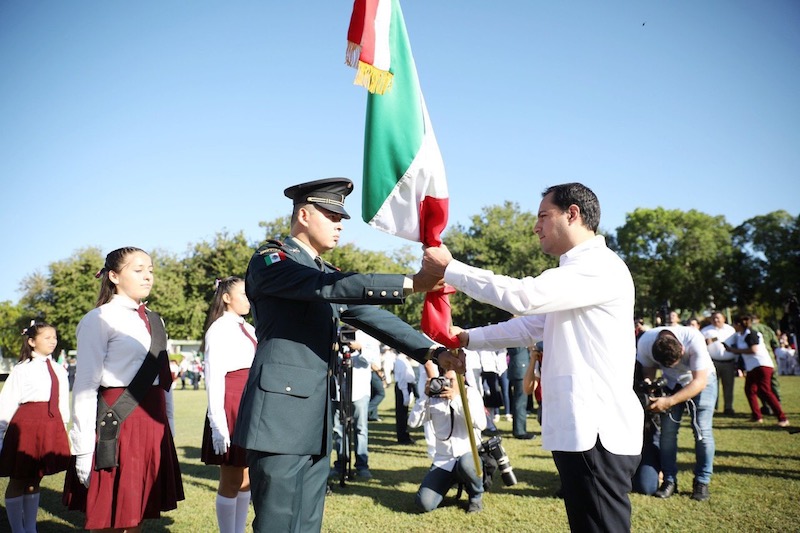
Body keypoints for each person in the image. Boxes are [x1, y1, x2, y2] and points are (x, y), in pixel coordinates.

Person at [231, 177, 464, 533]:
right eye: (331, 215)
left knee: (308, 522)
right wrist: (412, 282)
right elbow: (331, 288)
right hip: (279, 418)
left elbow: (370, 315)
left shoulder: (323, 273)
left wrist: (431, 351)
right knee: (277, 523)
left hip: (314, 416)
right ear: (305, 215)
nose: (340, 224)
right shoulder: (271, 259)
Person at [422, 182, 643, 532]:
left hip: (596, 431)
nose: (536, 226)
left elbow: (523, 297)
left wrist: (451, 269)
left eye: (543, 215)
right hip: (583, 429)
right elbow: (528, 327)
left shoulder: (597, 266)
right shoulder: (576, 273)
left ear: (573, 214)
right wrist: (465, 338)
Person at [63, 246, 184, 531]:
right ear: (114, 276)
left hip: (152, 423)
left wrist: (170, 425)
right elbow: (85, 385)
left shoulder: (156, 320)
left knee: (136, 513)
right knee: (110, 517)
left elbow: (163, 380)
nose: (148, 277)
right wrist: (82, 449)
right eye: (138, 270)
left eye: (151, 271)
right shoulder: (99, 318)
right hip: (118, 422)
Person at [0, 321, 70, 533]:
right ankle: (17, 529)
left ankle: (30, 528)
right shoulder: (22, 369)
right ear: (31, 341)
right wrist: (1, 435)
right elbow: (7, 402)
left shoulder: (59, 369)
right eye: (47, 337)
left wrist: (63, 428)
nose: (53, 341)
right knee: (19, 477)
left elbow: (62, 402)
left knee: (36, 477)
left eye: (54, 337)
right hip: (26, 427)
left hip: (50, 425)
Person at [200, 276, 257, 533]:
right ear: (226, 297)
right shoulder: (220, 328)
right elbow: (214, 377)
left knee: (245, 478)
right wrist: (218, 424)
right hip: (231, 402)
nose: (249, 299)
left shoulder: (248, 327)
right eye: (243, 294)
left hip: (249, 401)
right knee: (231, 478)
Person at [636, 325, 717, 501]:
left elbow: (700, 382)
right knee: (667, 434)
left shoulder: (693, 338)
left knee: (702, 431)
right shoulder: (645, 343)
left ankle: (701, 482)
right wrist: (650, 388)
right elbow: (648, 372)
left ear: (682, 348)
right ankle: (669, 480)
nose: (675, 366)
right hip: (671, 384)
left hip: (701, 381)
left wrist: (670, 401)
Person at [408, 368, 487, 513]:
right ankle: (445, 485)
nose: (447, 384)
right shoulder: (434, 397)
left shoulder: (471, 393)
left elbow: (481, 424)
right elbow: (412, 423)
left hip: (469, 456)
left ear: (462, 379)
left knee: (466, 463)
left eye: (452, 381)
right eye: (444, 379)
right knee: (424, 504)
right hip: (443, 460)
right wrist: (424, 397)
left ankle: (476, 496)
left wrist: (456, 400)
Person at [331, 328, 379, 480]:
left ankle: (361, 465)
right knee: (338, 430)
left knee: (360, 429)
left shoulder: (368, 335)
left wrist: (360, 348)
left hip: (360, 390)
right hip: (339, 391)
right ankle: (341, 464)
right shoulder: (337, 331)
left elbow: (373, 360)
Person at [724, 315, 789, 427]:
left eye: (734, 324)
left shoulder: (751, 333)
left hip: (762, 365)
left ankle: (782, 418)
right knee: (749, 390)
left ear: (739, 324)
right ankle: (757, 416)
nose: (733, 326)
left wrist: (734, 350)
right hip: (752, 367)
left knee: (765, 391)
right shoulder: (740, 335)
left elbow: (754, 350)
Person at [701, 311, 738, 415]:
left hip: (729, 362)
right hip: (713, 362)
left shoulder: (731, 330)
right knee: (712, 386)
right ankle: (713, 407)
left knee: (729, 386)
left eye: (718, 318)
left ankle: (728, 407)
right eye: (713, 318)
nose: (716, 320)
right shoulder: (705, 330)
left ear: (724, 319)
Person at [506, 346, 534, 439]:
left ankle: (520, 429)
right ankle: (519, 431)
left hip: (521, 369)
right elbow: (516, 349)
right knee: (520, 402)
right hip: (520, 369)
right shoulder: (514, 339)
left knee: (521, 401)